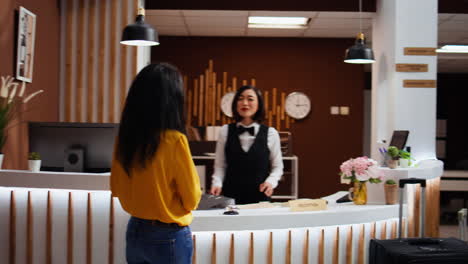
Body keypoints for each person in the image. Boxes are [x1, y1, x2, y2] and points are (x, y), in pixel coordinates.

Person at [110, 63, 201, 264]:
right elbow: (192, 198)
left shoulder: (125, 138)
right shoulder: (174, 140)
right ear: (173, 99)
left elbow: (117, 188)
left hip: (135, 230)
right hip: (168, 235)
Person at [209, 85, 283, 204]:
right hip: (231, 197)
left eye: (250, 99)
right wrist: (217, 183)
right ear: (235, 103)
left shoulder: (271, 133)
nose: (244, 103)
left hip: (260, 198)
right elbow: (220, 165)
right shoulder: (224, 131)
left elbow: (277, 167)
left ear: (259, 104)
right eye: (240, 98)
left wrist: (271, 182)